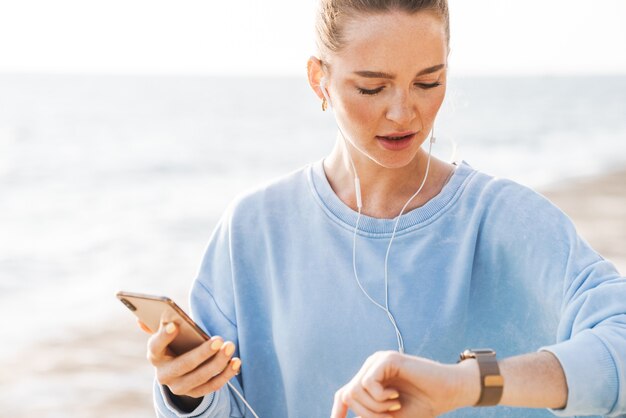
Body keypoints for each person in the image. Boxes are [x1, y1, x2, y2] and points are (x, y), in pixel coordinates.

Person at [145, 1, 626, 417]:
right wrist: (188, 393)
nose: (403, 112)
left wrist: (466, 384)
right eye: (372, 87)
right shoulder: (254, 230)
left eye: (427, 81)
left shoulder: (507, 220)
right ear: (320, 80)